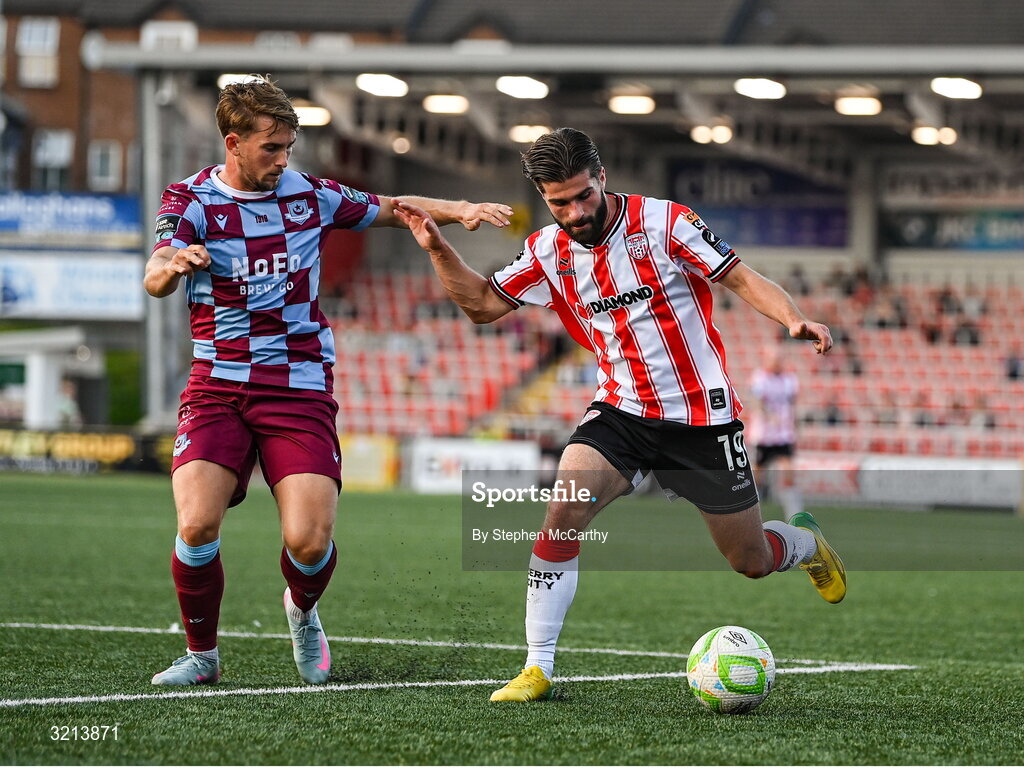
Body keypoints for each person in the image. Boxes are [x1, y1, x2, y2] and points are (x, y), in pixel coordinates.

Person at [393, 127, 846, 703]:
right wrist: (438, 250)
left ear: (601, 177)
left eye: (584, 195)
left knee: (751, 561)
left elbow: (737, 276)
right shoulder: (546, 252)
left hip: (702, 418)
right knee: (561, 514)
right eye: (560, 202)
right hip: (621, 411)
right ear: (543, 197)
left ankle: (804, 545)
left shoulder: (665, 223)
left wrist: (792, 319)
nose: (576, 211)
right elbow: (482, 305)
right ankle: (538, 667)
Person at [143, 76, 513, 687]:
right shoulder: (188, 201)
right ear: (233, 143)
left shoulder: (310, 195)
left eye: (289, 147)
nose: (284, 159)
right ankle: (202, 656)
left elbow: (395, 208)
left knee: (309, 543)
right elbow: (157, 271)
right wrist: (172, 266)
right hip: (218, 385)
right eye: (271, 148)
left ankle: (303, 610)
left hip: (298, 387)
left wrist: (462, 209)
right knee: (197, 523)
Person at [750, 345, 802, 518]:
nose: (778, 362)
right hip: (763, 435)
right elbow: (757, 401)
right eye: (774, 359)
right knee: (758, 474)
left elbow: (793, 404)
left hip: (783, 434)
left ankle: (793, 514)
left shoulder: (790, 379)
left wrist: (795, 425)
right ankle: (753, 511)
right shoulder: (760, 378)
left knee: (788, 470)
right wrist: (769, 415)